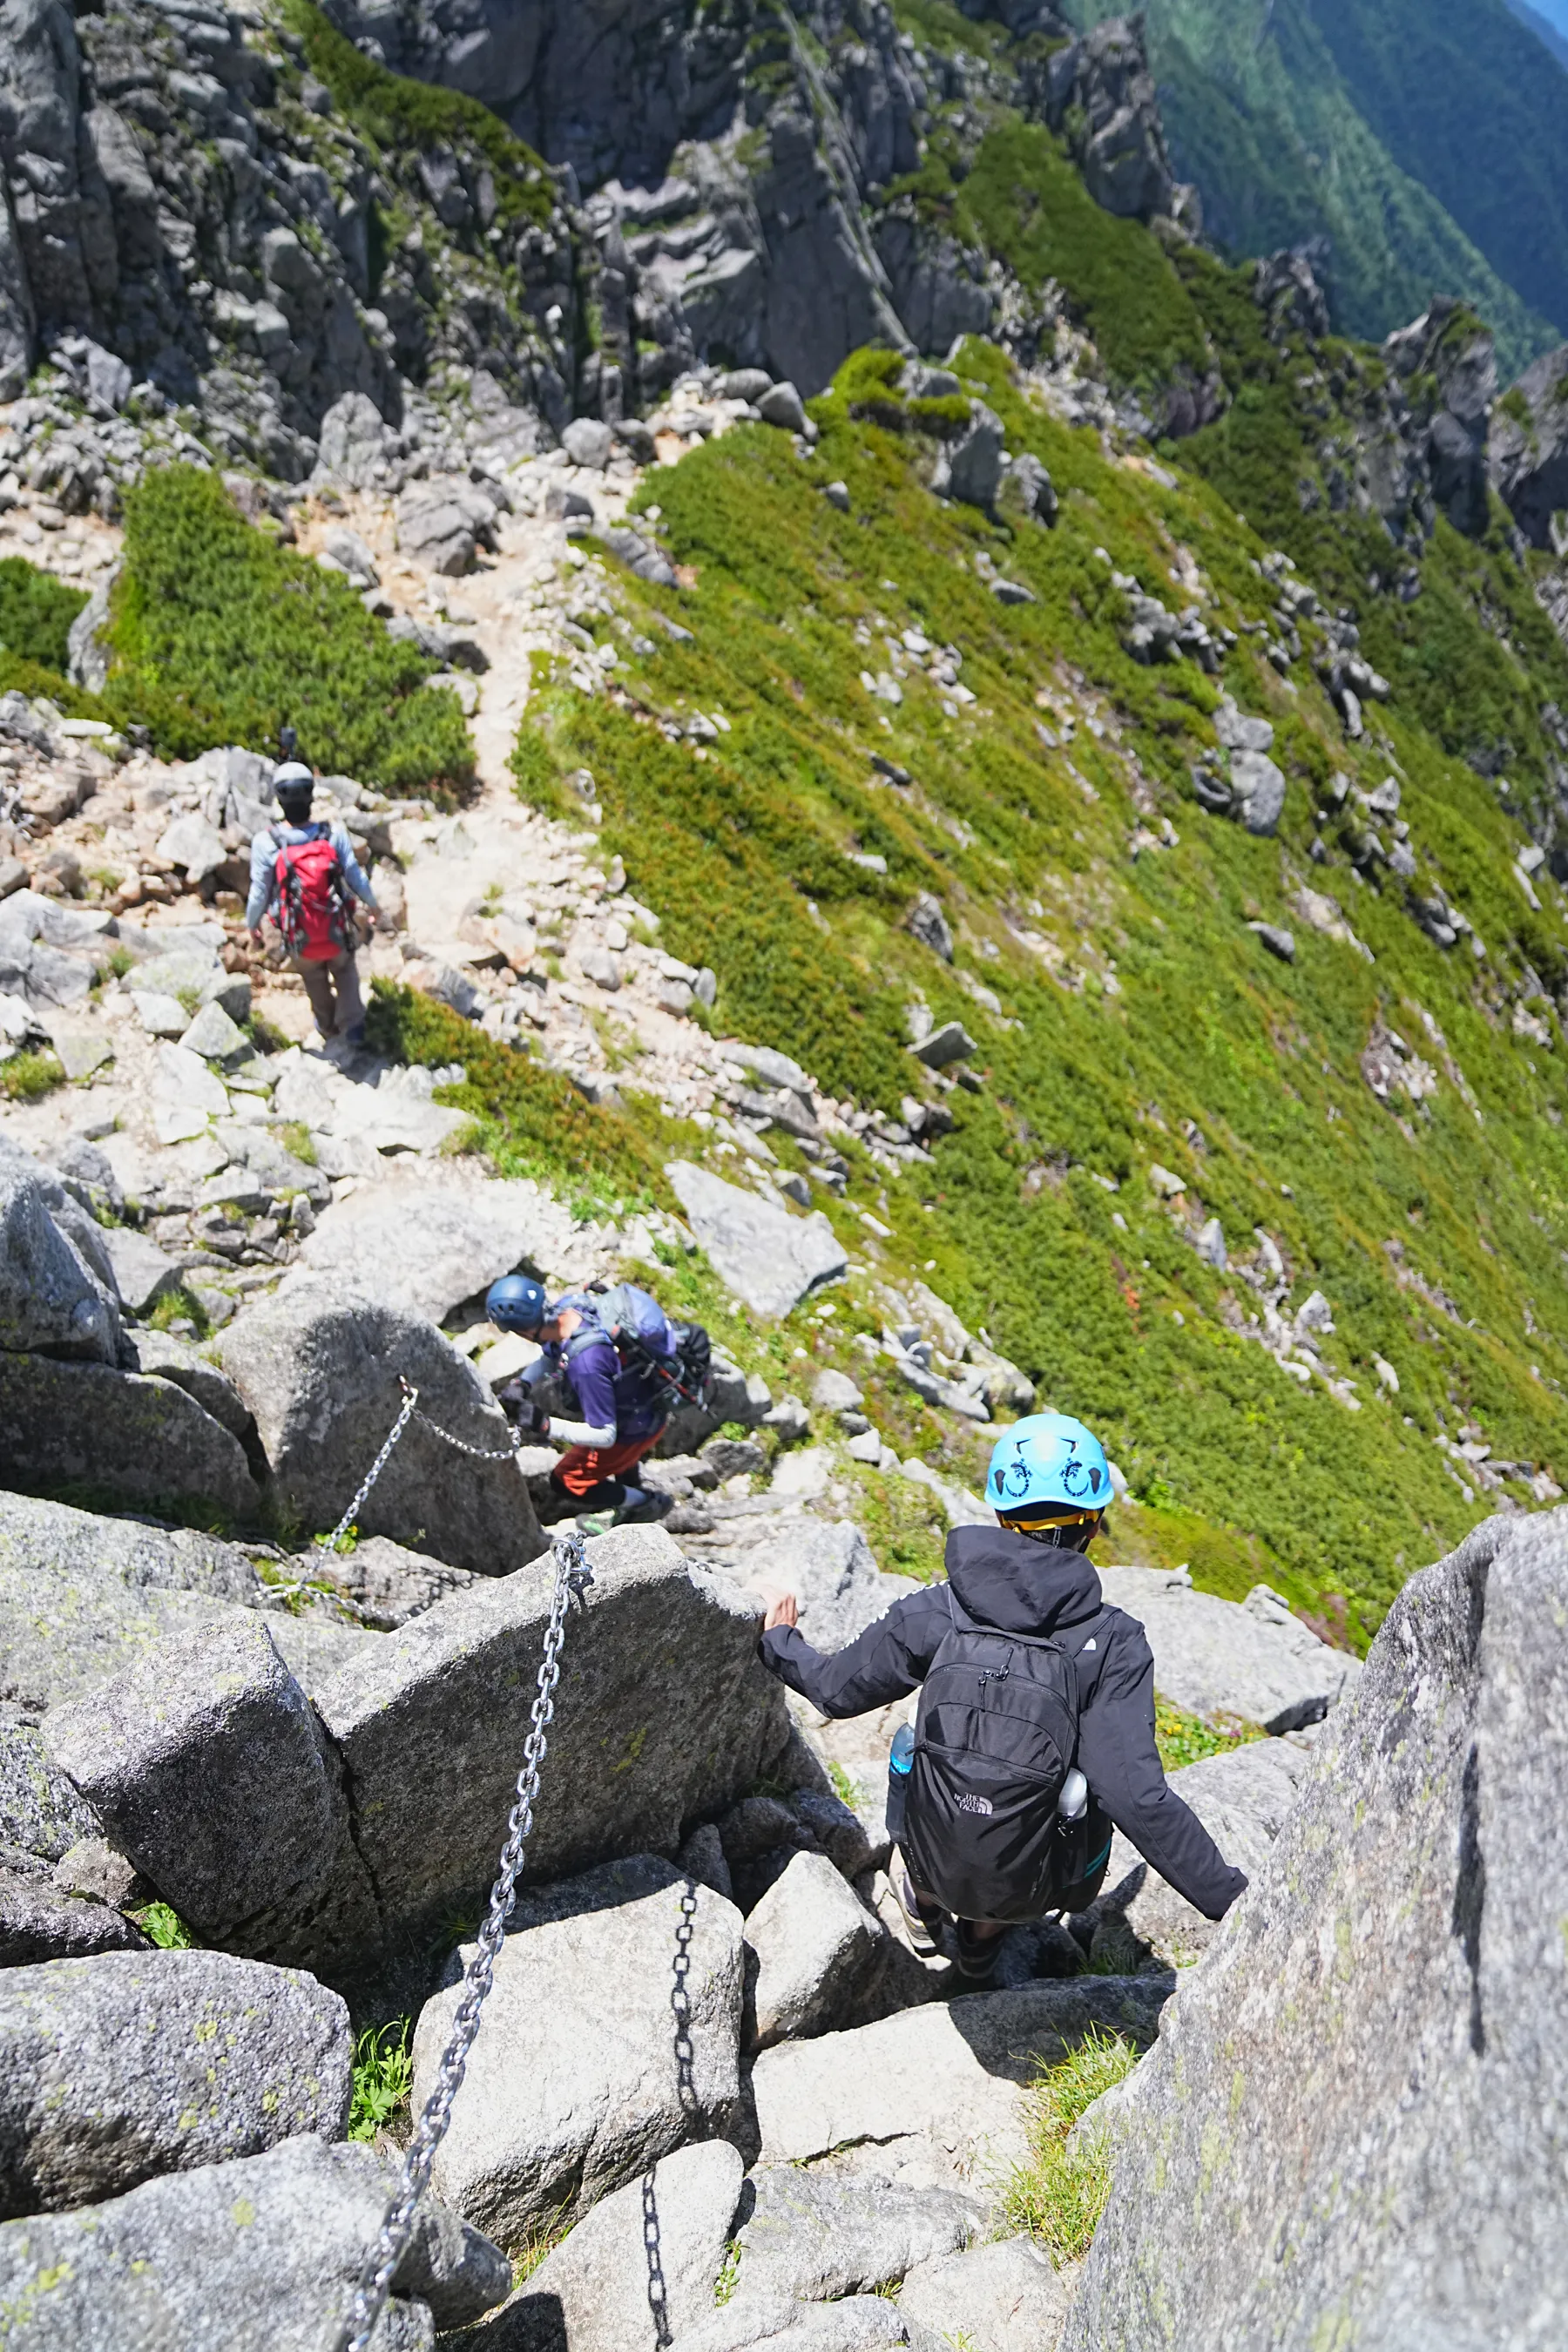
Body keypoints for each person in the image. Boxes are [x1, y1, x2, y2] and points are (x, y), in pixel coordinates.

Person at [756, 1411, 1248, 1983]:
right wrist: (1237, 1904)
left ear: (999, 1514)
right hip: (1035, 1888)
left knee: (913, 1744)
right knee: (1070, 1788)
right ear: (1092, 1525)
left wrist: (778, 1640)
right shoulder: (1111, 1642)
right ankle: (980, 1949)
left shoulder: (936, 1610)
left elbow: (834, 1692)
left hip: (933, 1852)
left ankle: (922, 1907)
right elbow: (1137, 1800)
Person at [487, 1275, 681, 1531]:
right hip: (641, 1405)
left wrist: (544, 1425)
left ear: (523, 1331)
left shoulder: (587, 1364)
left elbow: (604, 1434)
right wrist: (523, 1383)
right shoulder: (571, 1307)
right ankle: (632, 1490)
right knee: (616, 1459)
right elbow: (552, 1352)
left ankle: (644, 1503)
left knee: (565, 1480)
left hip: (634, 1428)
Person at [247, 756, 379, 1045]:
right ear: (311, 794)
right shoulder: (333, 834)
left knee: (313, 978)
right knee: (345, 971)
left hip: (298, 932)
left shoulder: (266, 842)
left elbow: (259, 892)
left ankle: (328, 1027)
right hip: (336, 926)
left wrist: (252, 924)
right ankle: (354, 1027)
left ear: (278, 798)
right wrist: (373, 906)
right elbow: (356, 878)